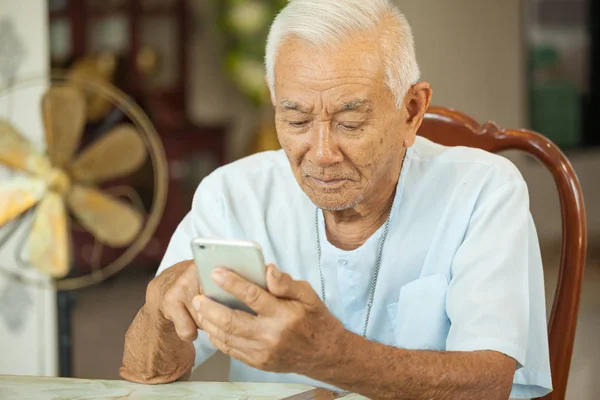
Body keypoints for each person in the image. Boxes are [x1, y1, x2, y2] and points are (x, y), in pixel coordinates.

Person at [120, 0, 552, 398]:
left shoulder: (482, 191)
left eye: (350, 122)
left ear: (412, 111)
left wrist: (328, 355)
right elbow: (145, 376)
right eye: (296, 119)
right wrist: (159, 311)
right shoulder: (234, 196)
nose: (321, 152)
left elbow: (490, 383)